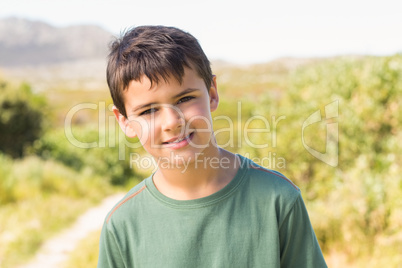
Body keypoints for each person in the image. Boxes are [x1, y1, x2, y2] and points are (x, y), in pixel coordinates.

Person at [98, 25, 327, 268]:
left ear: (212, 93)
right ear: (125, 122)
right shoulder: (122, 226)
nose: (172, 122)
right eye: (148, 111)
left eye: (185, 99)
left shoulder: (277, 199)